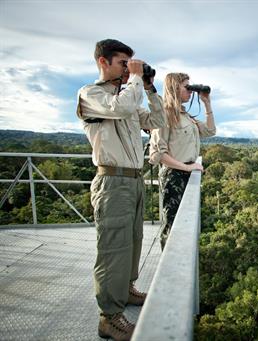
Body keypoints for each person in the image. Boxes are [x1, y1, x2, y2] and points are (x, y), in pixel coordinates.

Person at [76, 39, 167, 341]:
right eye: (122, 64)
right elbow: (122, 107)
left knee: (133, 241)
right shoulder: (91, 94)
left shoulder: (129, 97)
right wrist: (137, 79)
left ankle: (125, 289)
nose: (128, 70)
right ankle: (109, 317)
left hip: (134, 179)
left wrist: (151, 89)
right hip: (112, 181)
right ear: (103, 61)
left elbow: (158, 120)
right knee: (113, 249)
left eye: (131, 64)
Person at [149, 72, 216, 250]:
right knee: (172, 226)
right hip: (174, 176)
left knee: (184, 225)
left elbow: (210, 131)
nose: (191, 91)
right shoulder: (164, 114)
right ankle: (168, 267)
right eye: (187, 87)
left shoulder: (185, 116)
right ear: (174, 88)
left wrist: (207, 103)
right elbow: (157, 154)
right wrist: (186, 168)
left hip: (186, 173)